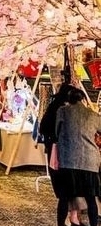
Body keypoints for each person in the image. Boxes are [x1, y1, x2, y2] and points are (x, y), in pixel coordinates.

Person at [55, 87, 101, 226]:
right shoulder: (92, 115)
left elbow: (57, 131)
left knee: (64, 198)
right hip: (89, 161)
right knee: (91, 198)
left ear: (69, 99)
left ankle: (60, 224)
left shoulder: (62, 111)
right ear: (83, 100)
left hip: (68, 160)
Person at [39, 83, 83, 226]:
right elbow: (46, 128)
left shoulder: (56, 107)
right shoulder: (61, 110)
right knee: (66, 191)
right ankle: (66, 221)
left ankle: (71, 219)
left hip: (59, 152)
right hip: (60, 153)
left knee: (67, 191)